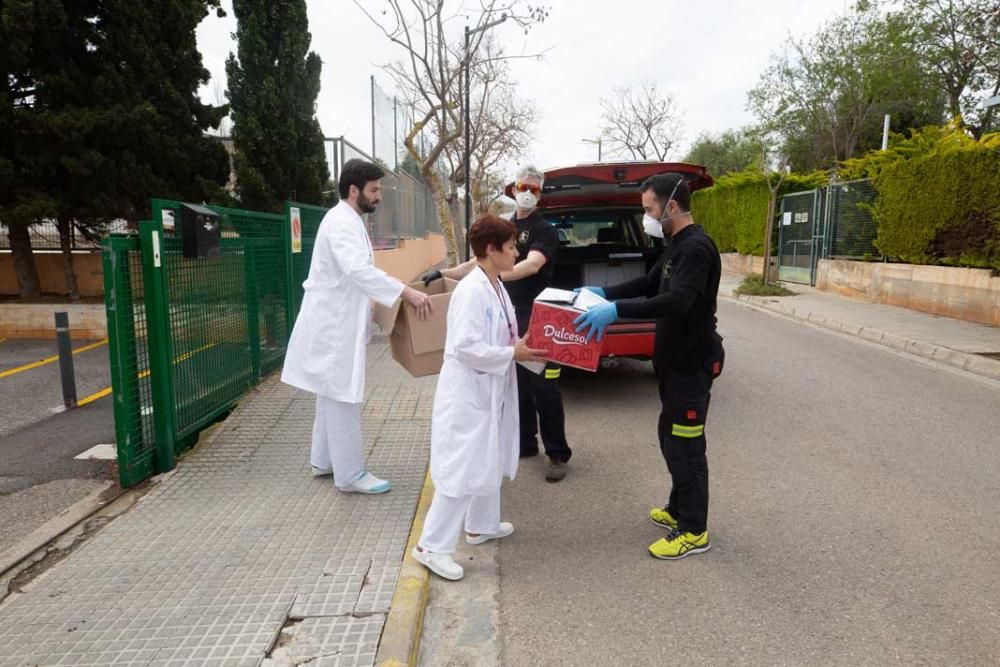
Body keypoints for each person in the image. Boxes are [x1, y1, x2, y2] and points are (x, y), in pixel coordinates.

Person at [573, 173, 724, 560]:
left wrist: (615, 311)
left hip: (692, 365)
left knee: (686, 446)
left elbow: (677, 302)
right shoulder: (676, 245)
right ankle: (678, 509)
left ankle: (694, 530)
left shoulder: (697, 249)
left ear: (670, 207)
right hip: (673, 365)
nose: (646, 217)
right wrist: (603, 292)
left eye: (647, 209)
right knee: (669, 438)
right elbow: (649, 283)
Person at [282, 159, 432, 494]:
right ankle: (350, 475)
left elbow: (356, 274)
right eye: (374, 190)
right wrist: (405, 292)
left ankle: (323, 461)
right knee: (343, 394)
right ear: (354, 190)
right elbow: (358, 271)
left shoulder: (345, 219)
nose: (379, 196)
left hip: (334, 321)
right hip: (334, 326)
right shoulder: (342, 222)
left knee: (329, 391)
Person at [412, 214, 547, 581]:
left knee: (488, 456)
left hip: (491, 386)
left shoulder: (496, 284)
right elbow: (466, 347)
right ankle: (431, 546)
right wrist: (512, 354)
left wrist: (526, 351)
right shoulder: (472, 291)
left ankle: (480, 525)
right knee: (460, 467)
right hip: (468, 392)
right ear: (491, 250)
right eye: (511, 247)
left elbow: (504, 335)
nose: (516, 252)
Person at [422, 165, 572, 482]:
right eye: (523, 186)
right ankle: (525, 443)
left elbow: (531, 265)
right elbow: (480, 259)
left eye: (534, 188)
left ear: (540, 193)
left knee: (545, 386)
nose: (528, 193)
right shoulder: (505, 225)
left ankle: (557, 453)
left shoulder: (544, 230)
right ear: (512, 189)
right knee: (514, 383)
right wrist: (446, 274)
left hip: (537, 317)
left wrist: (492, 273)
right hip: (505, 316)